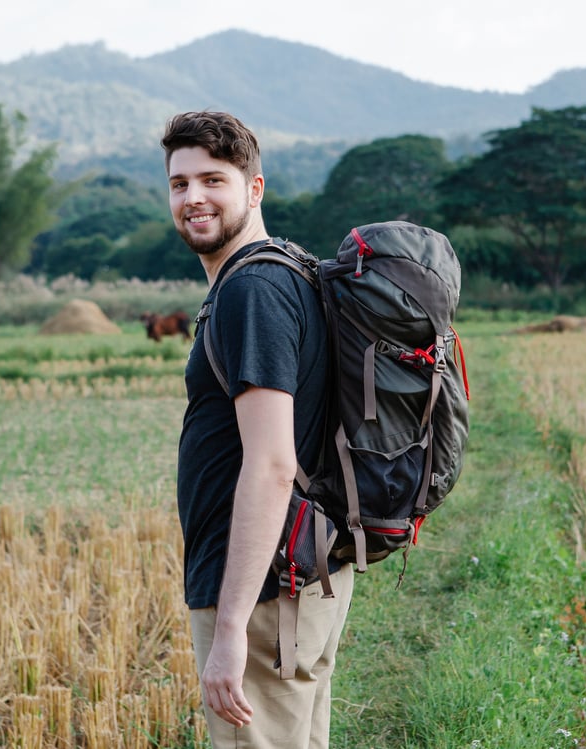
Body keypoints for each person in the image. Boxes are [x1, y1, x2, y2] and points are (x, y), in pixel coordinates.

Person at [162, 110, 354, 748]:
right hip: (300, 576)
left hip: (267, 592)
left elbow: (271, 464)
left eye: (212, 180)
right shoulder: (292, 269)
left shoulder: (253, 291)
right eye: (179, 183)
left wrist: (230, 631)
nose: (193, 199)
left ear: (255, 188)